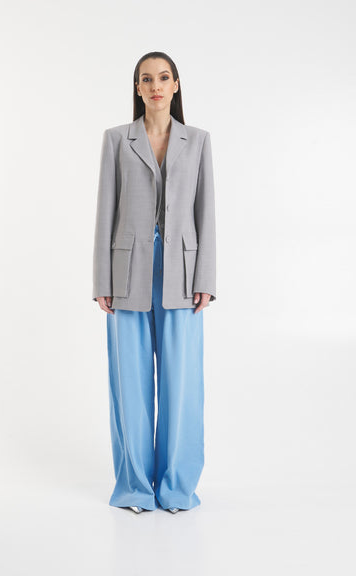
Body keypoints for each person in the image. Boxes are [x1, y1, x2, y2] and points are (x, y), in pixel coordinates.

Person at [92, 51, 216, 514]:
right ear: (138, 88)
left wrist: (206, 278)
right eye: (147, 79)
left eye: (164, 77)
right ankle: (135, 487)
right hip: (127, 273)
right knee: (130, 384)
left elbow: (206, 212)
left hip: (182, 273)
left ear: (176, 85)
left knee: (182, 383)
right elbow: (105, 211)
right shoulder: (116, 140)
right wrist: (101, 279)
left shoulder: (198, 140)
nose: (156, 86)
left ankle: (177, 487)